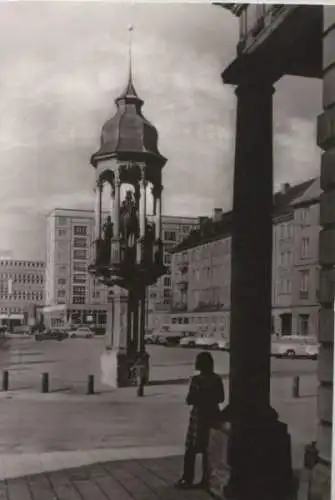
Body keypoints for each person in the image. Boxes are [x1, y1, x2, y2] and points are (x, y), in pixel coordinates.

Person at [175, 351, 225, 490]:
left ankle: (187, 478)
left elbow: (189, 399)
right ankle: (206, 479)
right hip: (212, 416)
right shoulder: (216, 379)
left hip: (198, 417)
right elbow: (221, 398)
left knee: (191, 449)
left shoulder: (196, 380)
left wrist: (199, 396)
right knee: (207, 450)